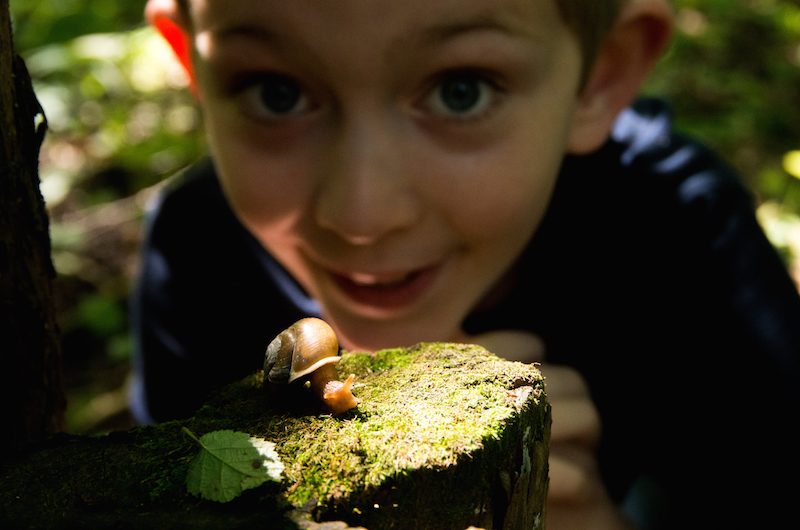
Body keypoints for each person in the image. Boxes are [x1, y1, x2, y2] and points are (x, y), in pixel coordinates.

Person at [130, 1, 800, 528]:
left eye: (461, 90)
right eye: (275, 92)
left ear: (600, 75)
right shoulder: (200, 251)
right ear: (192, 64)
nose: (363, 215)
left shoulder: (678, 232)